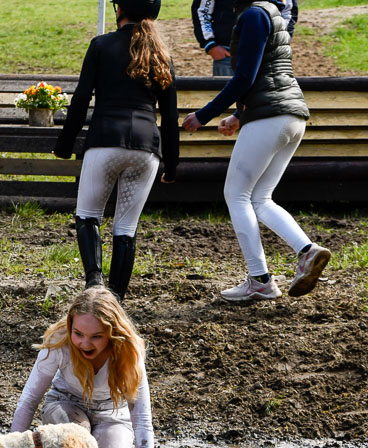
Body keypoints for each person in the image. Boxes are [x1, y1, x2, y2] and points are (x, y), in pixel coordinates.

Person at [182, 0, 331, 302]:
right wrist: (239, 117)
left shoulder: (252, 15)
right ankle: (307, 251)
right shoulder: (271, 13)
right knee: (260, 198)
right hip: (292, 115)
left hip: (271, 117)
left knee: (236, 195)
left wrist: (204, 115)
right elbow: (267, 72)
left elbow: (244, 78)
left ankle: (260, 279)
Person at [53, 0, 179, 302]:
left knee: (88, 216)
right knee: (126, 228)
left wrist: (65, 145)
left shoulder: (101, 45)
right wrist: (172, 165)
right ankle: (116, 300)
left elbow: (81, 98)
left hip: (106, 140)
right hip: (147, 150)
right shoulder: (162, 54)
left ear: (119, 9)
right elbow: (170, 116)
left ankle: (94, 285)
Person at [11, 287, 153, 448]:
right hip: (66, 405)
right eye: (78, 334)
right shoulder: (60, 342)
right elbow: (28, 401)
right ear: (70, 327)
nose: (85, 344)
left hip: (112, 413)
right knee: (75, 444)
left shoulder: (129, 351)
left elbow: (142, 418)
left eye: (96, 336)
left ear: (112, 333)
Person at [191, 0, 235, 77]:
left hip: (260, 54)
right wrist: (210, 45)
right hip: (226, 55)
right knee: (225, 88)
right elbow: (202, 12)